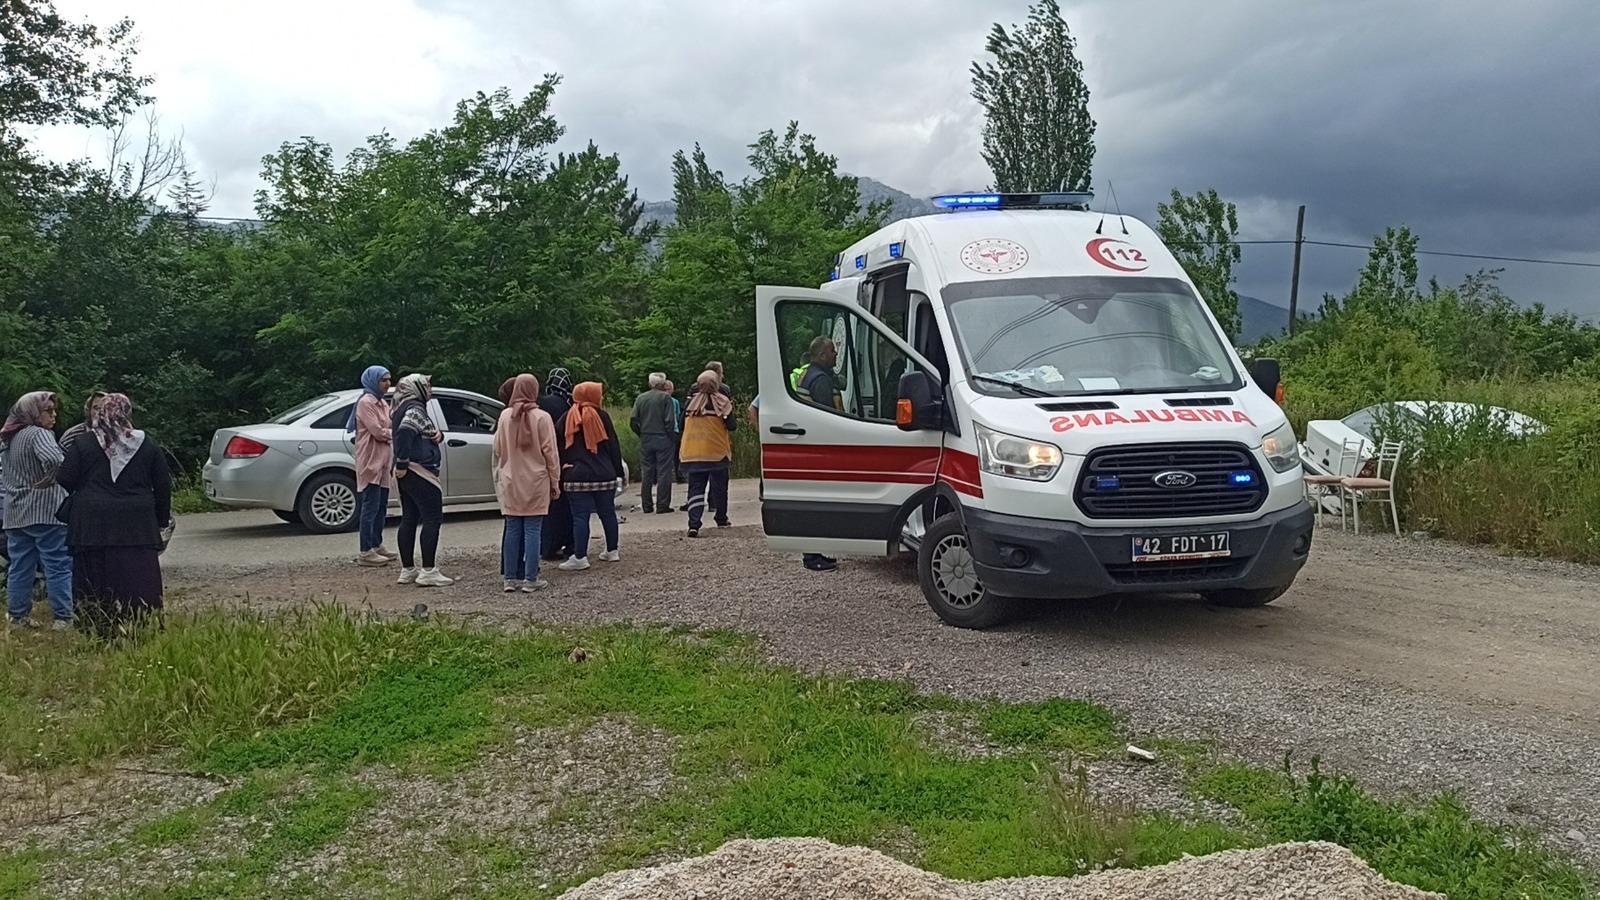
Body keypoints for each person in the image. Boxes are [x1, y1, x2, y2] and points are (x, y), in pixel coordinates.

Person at [57, 394, 172, 636]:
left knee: (94, 580)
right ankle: (141, 623)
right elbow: (163, 484)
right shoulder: (146, 443)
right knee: (137, 578)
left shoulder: (85, 443)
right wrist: (160, 520)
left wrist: (90, 491)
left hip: (91, 525)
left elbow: (64, 477)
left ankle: (97, 626)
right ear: (127, 412)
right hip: (136, 526)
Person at [3, 392, 72, 630]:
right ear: (34, 412)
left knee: (20, 566)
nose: (54, 415)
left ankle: (17, 616)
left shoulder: (9, 437)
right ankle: (63, 617)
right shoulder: (39, 434)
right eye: (48, 410)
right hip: (46, 510)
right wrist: (51, 478)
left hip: (15, 512)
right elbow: (55, 459)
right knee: (58, 564)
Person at [493, 374, 561, 593]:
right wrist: (555, 481)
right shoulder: (542, 417)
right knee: (533, 529)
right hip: (536, 480)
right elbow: (551, 453)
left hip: (510, 479)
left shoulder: (505, 416)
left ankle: (510, 579)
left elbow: (497, 449)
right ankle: (531, 578)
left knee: (513, 528)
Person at [391, 374, 452, 586]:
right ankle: (428, 570)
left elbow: (422, 431)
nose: (430, 389)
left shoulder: (400, 406)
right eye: (427, 385)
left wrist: (438, 435)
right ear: (416, 387)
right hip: (419, 471)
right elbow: (405, 432)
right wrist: (402, 462)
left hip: (407, 473)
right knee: (432, 518)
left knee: (409, 517)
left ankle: (407, 569)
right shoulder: (415, 407)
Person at [557, 382, 624, 570]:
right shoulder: (603, 416)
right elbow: (613, 446)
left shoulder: (567, 417)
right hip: (604, 474)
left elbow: (557, 444)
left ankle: (580, 556)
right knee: (608, 513)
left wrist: (562, 466)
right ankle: (612, 551)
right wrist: (617, 471)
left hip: (576, 475)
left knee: (580, 517)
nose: (601, 398)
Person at [680, 371, 738, 537]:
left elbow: (681, 424)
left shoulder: (690, 403)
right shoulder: (722, 402)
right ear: (716, 384)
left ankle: (693, 524)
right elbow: (732, 425)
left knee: (696, 488)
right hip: (716, 452)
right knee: (720, 487)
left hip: (692, 452)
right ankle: (721, 517)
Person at [350, 365, 396, 567]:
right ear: (373, 381)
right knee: (370, 505)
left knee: (381, 505)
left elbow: (389, 425)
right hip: (370, 459)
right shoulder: (366, 402)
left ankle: (377, 544)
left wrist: (388, 431)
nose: (387, 384)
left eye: (388, 380)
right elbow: (378, 431)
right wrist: (392, 434)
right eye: (383, 380)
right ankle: (365, 550)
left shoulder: (382, 403)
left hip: (384, 458)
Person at [539, 367, 576, 562]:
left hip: (541, 461)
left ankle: (547, 547)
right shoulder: (568, 404)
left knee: (548, 509)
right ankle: (569, 544)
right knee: (565, 506)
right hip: (562, 460)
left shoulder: (542, 403)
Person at [631, 372, 676, 514]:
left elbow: (633, 420)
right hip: (663, 438)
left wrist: (641, 433)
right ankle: (662, 505)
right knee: (664, 471)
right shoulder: (666, 398)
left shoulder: (640, 398)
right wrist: (672, 438)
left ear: (650, 383)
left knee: (647, 471)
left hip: (646, 438)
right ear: (663, 384)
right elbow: (669, 421)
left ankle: (647, 505)